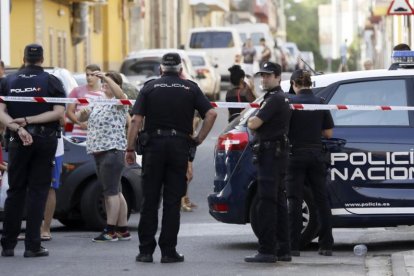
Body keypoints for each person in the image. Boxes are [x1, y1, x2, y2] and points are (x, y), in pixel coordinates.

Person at [125, 52, 217, 263]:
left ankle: (145, 251)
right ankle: (168, 251)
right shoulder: (190, 88)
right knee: (172, 201)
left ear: (161, 69)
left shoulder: (149, 87)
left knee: (150, 200)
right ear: (181, 69)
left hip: (153, 148)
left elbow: (136, 121)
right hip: (179, 147)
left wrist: (130, 149)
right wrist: (198, 139)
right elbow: (211, 114)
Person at [0, 43, 66, 258]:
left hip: (18, 140)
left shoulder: (7, 81)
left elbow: (1, 112)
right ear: (42, 58)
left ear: (24, 57)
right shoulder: (51, 80)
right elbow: (58, 113)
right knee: (38, 192)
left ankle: (8, 245)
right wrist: (30, 121)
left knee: (15, 191)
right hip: (44, 140)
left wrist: (18, 127)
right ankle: (32, 245)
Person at [245, 62, 291, 263]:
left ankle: (267, 250)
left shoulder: (274, 99)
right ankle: (283, 248)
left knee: (267, 203)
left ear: (278, 77)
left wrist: (250, 121)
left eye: (268, 75)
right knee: (278, 202)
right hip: (275, 154)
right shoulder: (275, 98)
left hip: (271, 155)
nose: (264, 79)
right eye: (262, 75)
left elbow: (254, 123)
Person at [77, 71, 131, 242]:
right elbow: (80, 118)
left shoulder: (119, 101)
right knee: (116, 191)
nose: (105, 84)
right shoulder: (98, 101)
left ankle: (110, 230)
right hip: (99, 152)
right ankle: (122, 230)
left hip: (112, 151)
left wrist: (105, 76)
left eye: (109, 82)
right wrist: (83, 114)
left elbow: (120, 94)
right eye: (104, 82)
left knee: (110, 193)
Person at [286, 69, 334, 257]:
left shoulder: (289, 103)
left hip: (295, 155)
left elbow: (284, 128)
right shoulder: (320, 103)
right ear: (310, 84)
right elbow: (328, 134)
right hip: (316, 155)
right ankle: (326, 245)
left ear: (293, 84)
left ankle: (293, 246)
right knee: (322, 200)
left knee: (294, 201)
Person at [40, 117, 65, 241]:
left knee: (50, 188)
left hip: (53, 149)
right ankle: (35, 228)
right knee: (30, 187)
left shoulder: (55, 97)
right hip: (28, 146)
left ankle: (46, 228)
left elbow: (62, 120)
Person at [66, 64, 104, 142]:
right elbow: (69, 112)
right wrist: (79, 123)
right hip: (78, 135)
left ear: (99, 76)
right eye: (87, 75)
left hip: (97, 137)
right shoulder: (77, 91)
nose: (89, 77)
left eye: (92, 75)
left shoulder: (104, 92)